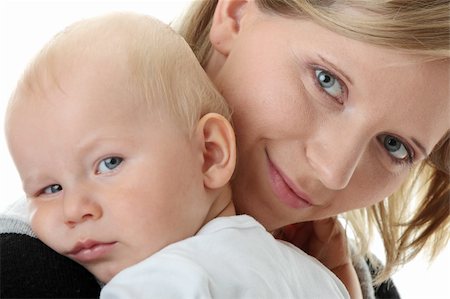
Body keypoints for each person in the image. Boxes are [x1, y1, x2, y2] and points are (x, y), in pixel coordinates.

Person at [1, 0, 449, 298]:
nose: (332, 171)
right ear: (234, 14)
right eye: (326, 81)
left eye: (394, 146)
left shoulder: (358, 283)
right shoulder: (26, 273)